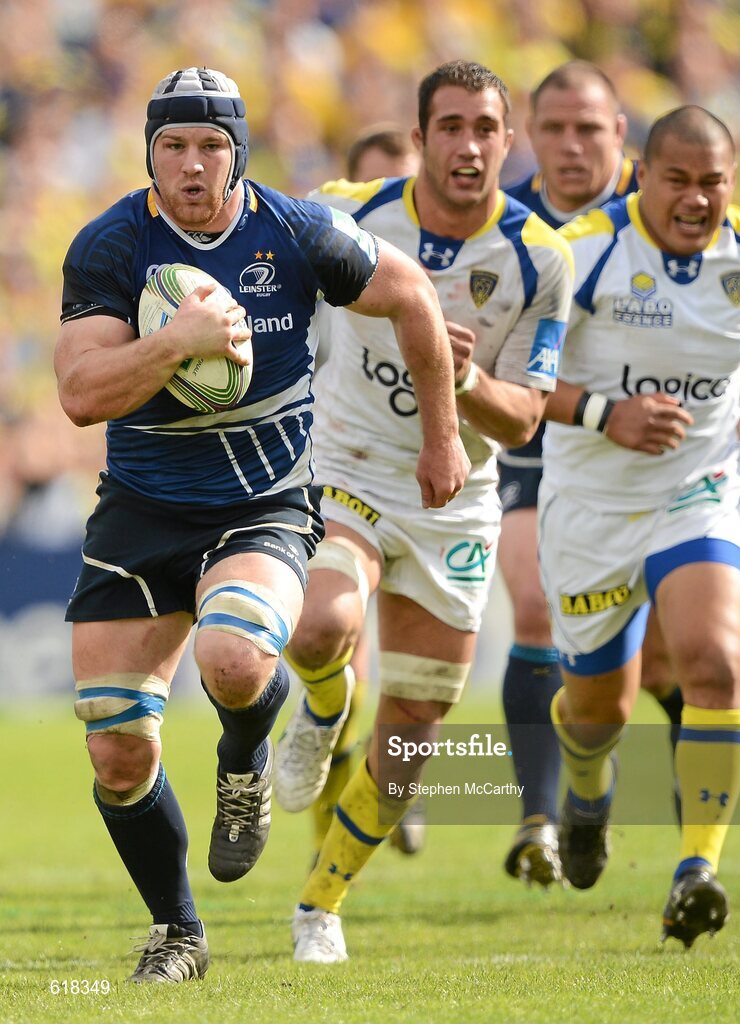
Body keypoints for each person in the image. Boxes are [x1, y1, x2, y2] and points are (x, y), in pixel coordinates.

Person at [55, 66, 468, 984]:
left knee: (235, 661)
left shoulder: (299, 232)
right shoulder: (109, 247)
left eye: (211, 147)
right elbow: (82, 394)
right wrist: (176, 343)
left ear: (238, 152)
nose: (193, 167)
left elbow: (412, 297)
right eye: (173, 147)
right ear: (150, 154)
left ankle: (245, 753)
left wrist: (443, 439)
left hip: (262, 504)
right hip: (141, 508)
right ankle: (178, 933)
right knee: (117, 747)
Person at [272, 59, 573, 963]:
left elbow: (524, 417)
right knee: (320, 627)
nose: (469, 145)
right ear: (421, 137)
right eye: (451, 126)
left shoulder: (539, 258)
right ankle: (323, 711)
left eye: (486, 127)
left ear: (506, 142)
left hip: (457, 500)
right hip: (350, 464)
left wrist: (462, 375)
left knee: (412, 736)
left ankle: (320, 906)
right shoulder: (346, 213)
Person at [539, 105, 740, 947]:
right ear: (642, 173)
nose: (695, 199)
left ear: (732, 183)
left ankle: (696, 869)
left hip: (699, 487)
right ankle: (587, 790)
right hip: (591, 505)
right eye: (677, 180)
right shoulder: (579, 252)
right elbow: (508, 380)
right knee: (599, 707)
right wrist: (606, 413)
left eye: (712, 182)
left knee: (714, 663)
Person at [499, 61, 740, 887]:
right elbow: (492, 350)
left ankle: (694, 844)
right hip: (535, 444)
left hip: (670, 457)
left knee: (688, 659)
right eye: (552, 129)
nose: (569, 145)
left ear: (620, 136)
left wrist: (701, 356)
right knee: (543, 622)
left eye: (587, 128)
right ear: (530, 136)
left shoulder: (673, 201)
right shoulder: (509, 220)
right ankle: (549, 812)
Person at [308, 125, 423, 862]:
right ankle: (328, 851)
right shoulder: (322, 256)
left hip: (425, 475)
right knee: (337, 649)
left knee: (403, 672)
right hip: (335, 458)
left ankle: (390, 782)